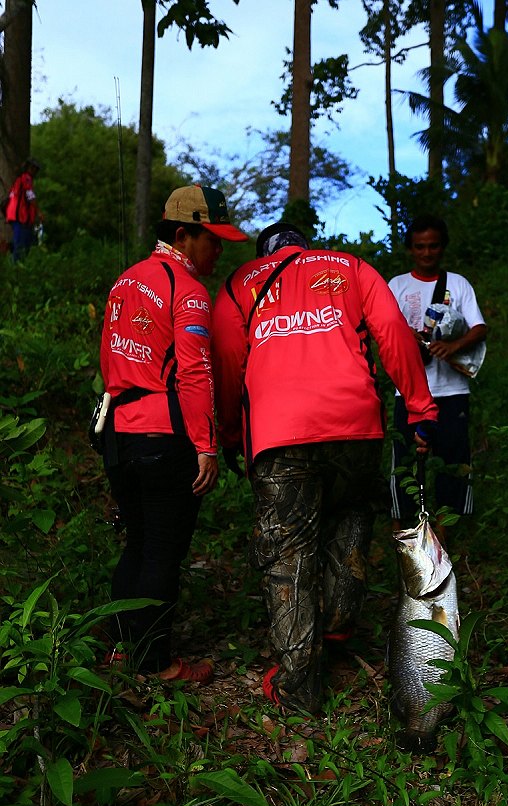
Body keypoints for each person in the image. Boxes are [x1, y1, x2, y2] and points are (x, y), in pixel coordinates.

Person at [212, 221, 438, 715]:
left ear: (263, 251)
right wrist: (419, 408)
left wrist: (229, 433)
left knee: (287, 550)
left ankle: (299, 687)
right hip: (354, 424)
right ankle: (336, 620)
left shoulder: (239, 284)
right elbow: (394, 335)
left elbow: (229, 362)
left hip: (278, 436)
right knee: (352, 510)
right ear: (302, 248)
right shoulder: (349, 267)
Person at [99, 184, 247, 681]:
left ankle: (119, 652)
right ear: (183, 235)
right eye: (213, 239)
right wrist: (207, 446)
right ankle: (156, 663)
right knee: (163, 549)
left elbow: (110, 363)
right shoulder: (188, 291)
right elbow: (195, 372)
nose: (219, 250)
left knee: (138, 543)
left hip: (119, 434)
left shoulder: (124, 283)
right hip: (166, 436)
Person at [389, 214, 487, 530]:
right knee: (404, 465)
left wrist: (453, 346)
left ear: (442, 247)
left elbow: (479, 327)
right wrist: (409, 340)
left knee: (453, 465)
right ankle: (405, 537)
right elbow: (385, 332)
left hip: (452, 392)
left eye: (433, 246)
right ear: (410, 249)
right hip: (409, 391)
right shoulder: (397, 286)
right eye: (420, 247)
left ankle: (446, 538)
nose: (427, 253)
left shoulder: (458, 284)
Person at [5, 158, 41, 261]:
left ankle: (16, 264)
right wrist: (39, 212)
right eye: (34, 169)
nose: (35, 172)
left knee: (23, 243)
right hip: (20, 217)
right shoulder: (26, 178)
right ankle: (16, 269)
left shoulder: (19, 180)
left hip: (17, 217)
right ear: (29, 168)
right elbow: (30, 195)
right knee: (21, 245)